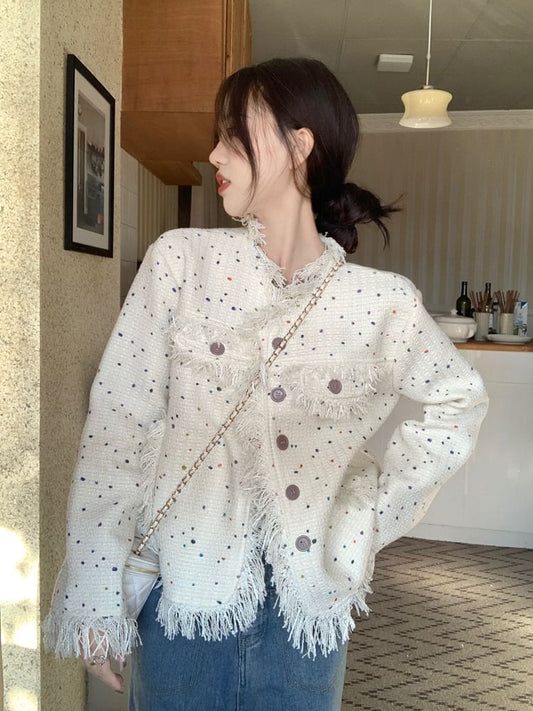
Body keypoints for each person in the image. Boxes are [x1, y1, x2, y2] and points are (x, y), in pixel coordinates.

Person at [44, 58, 488, 710]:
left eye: (233, 133)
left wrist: (364, 514)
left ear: (299, 144)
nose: (213, 153)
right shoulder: (181, 263)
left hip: (306, 613)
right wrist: (93, 590)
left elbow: (458, 400)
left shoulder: (381, 302)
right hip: (182, 597)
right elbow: (119, 423)